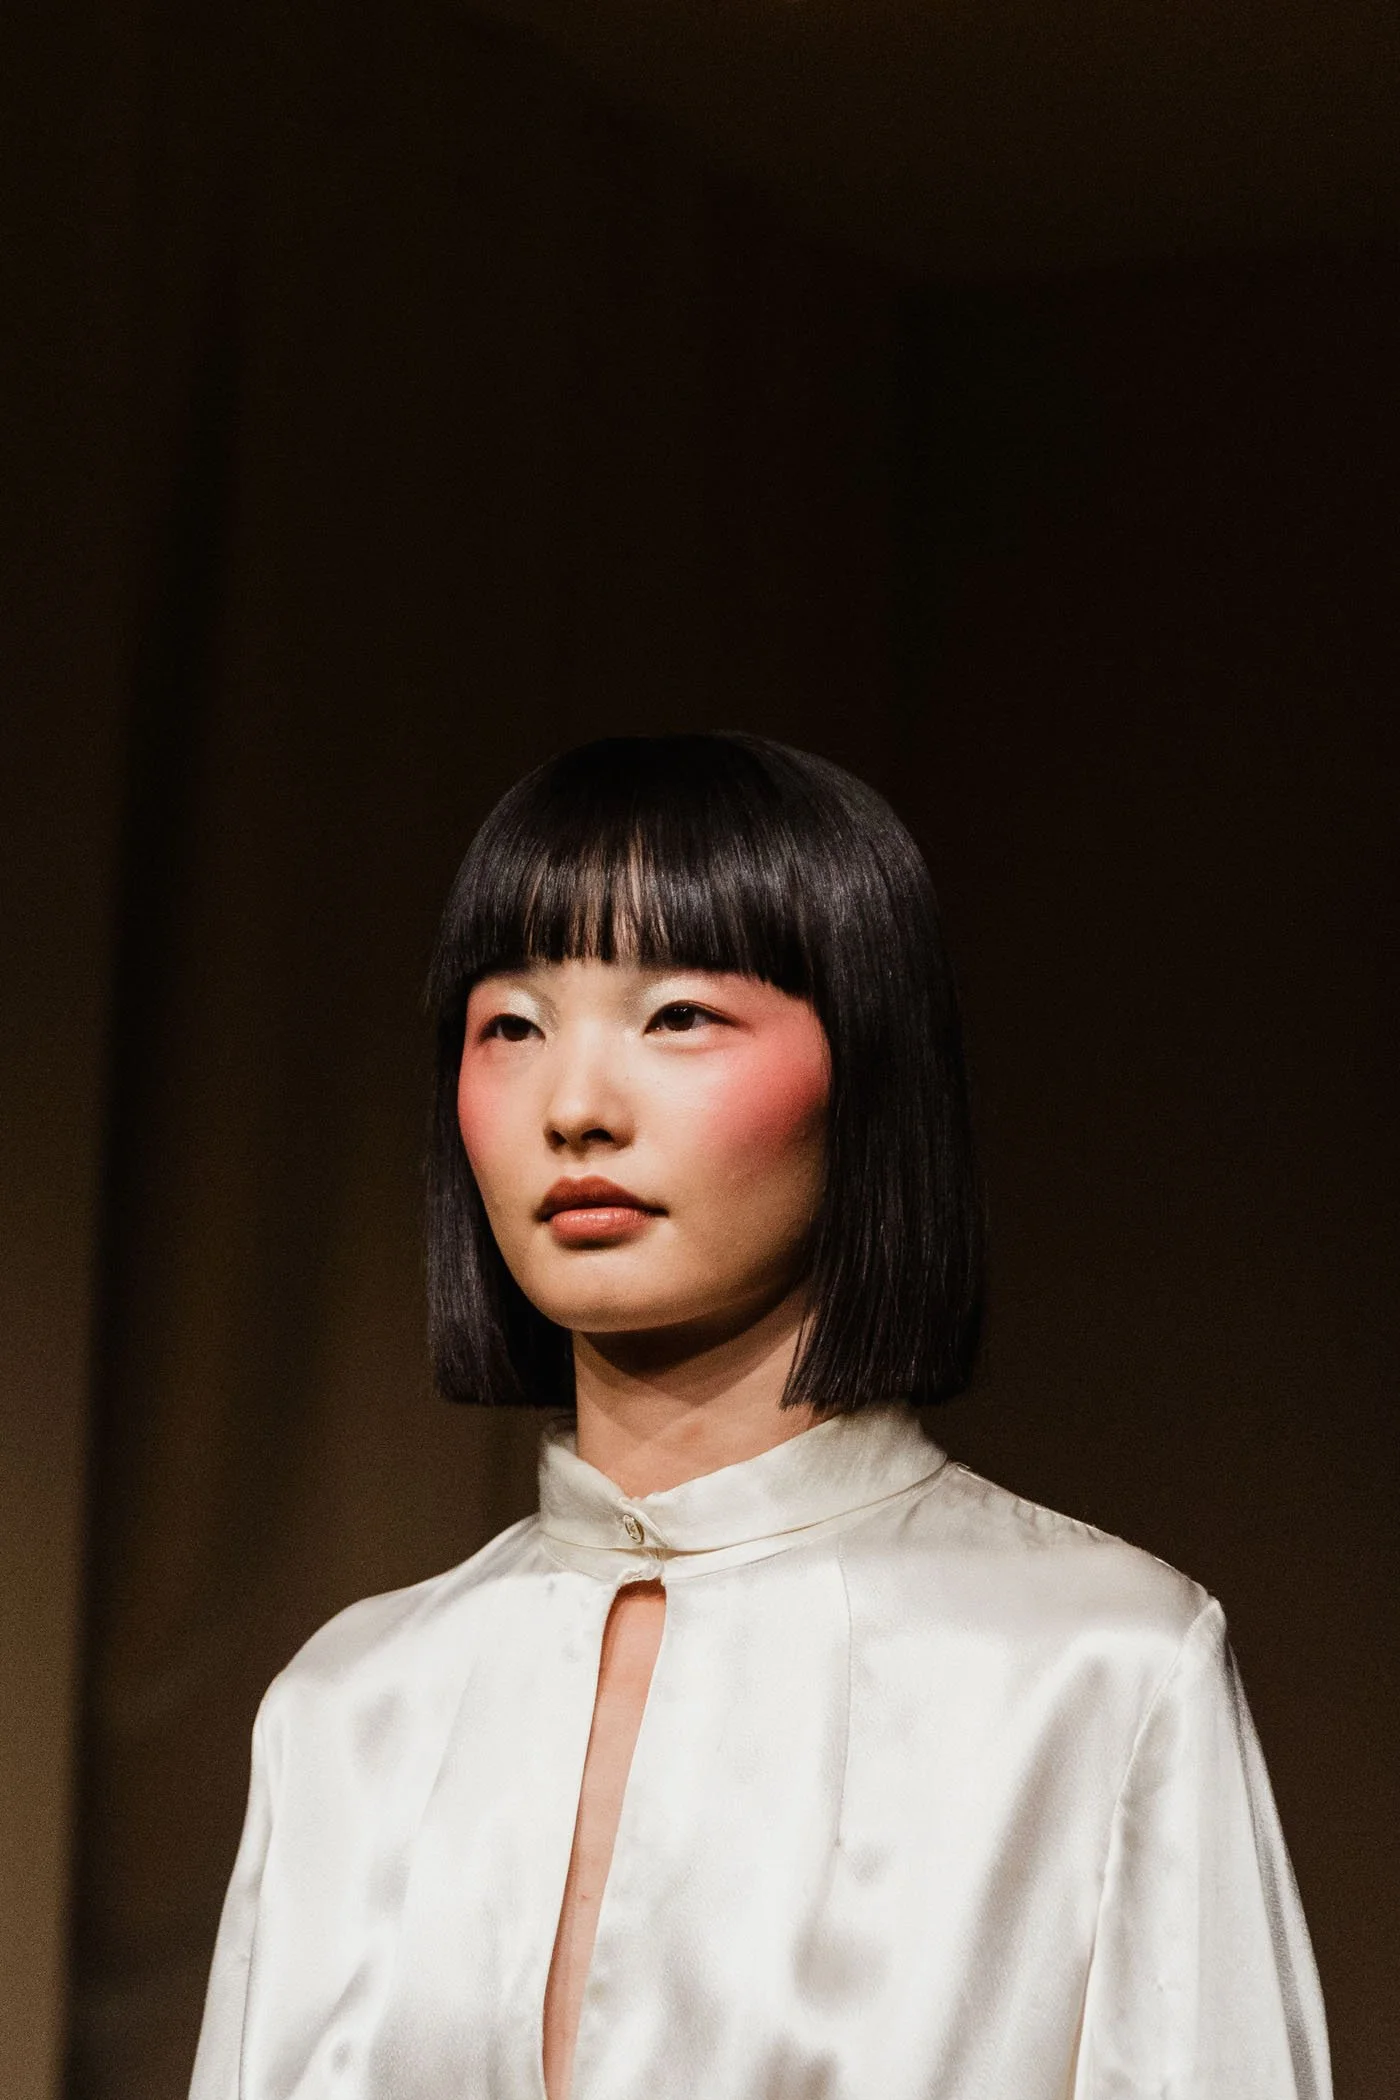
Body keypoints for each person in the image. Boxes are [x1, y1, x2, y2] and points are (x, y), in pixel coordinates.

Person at [189, 732, 1332, 2100]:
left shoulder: (1097, 1673)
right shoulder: (347, 1709)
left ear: (871, 1064)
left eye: (677, 1016)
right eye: (513, 1025)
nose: (576, 1107)